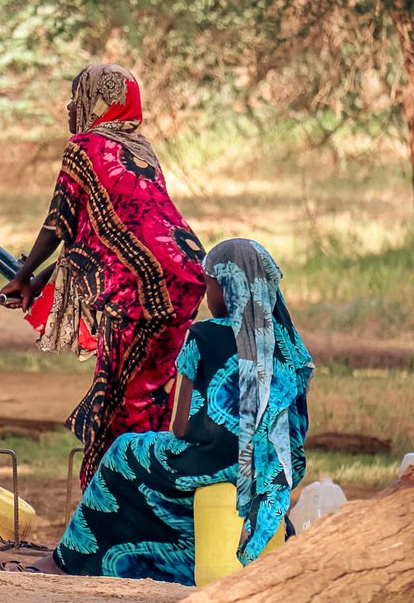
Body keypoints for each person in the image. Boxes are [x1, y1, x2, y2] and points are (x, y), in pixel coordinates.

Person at [21, 239, 313, 584]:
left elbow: (179, 427)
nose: (207, 296)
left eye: (209, 285)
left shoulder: (203, 335)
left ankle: (64, 563)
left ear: (225, 286)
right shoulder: (292, 346)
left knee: (124, 450)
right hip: (267, 470)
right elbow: (295, 430)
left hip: (206, 463)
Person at [0, 65, 206, 486]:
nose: (73, 107)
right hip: (185, 278)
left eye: (80, 98)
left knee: (118, 404)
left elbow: (59, 222)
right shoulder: (141, 150)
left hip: (140, 290)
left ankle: (111, 508)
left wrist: (23, 275)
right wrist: (39, 281)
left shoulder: (85, 145)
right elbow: (99, 234)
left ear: (97, 103)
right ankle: (157, 495)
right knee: (152, 396)